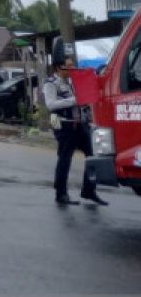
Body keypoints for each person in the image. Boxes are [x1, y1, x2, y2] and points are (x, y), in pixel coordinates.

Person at [43, 41, 107, 207]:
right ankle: (60, 193)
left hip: (80, 123)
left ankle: (89, 190)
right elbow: (50, 105)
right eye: (68, 67)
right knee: (65, 158)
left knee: (92, 156)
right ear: (59, 67)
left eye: (72, 66)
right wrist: (74, 100)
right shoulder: (51, 83)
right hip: (62, 123)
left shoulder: (73, 81)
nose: (71, 69)